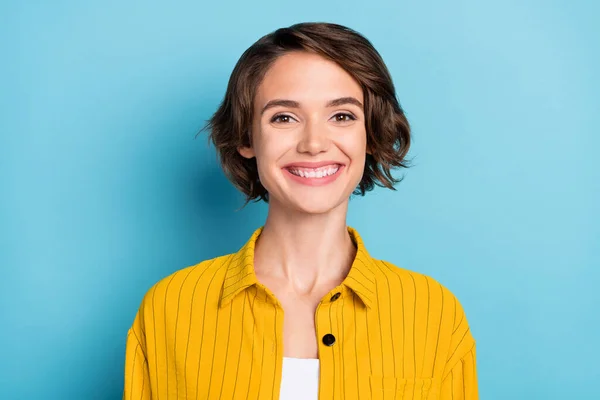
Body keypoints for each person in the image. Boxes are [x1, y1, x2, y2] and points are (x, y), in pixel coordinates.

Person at [122, 22, 478, 400]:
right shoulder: (170, 308)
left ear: (370, 134)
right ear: (246, 137)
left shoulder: (434, 314)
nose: (314, 143)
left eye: (342, 116)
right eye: (284, 117)